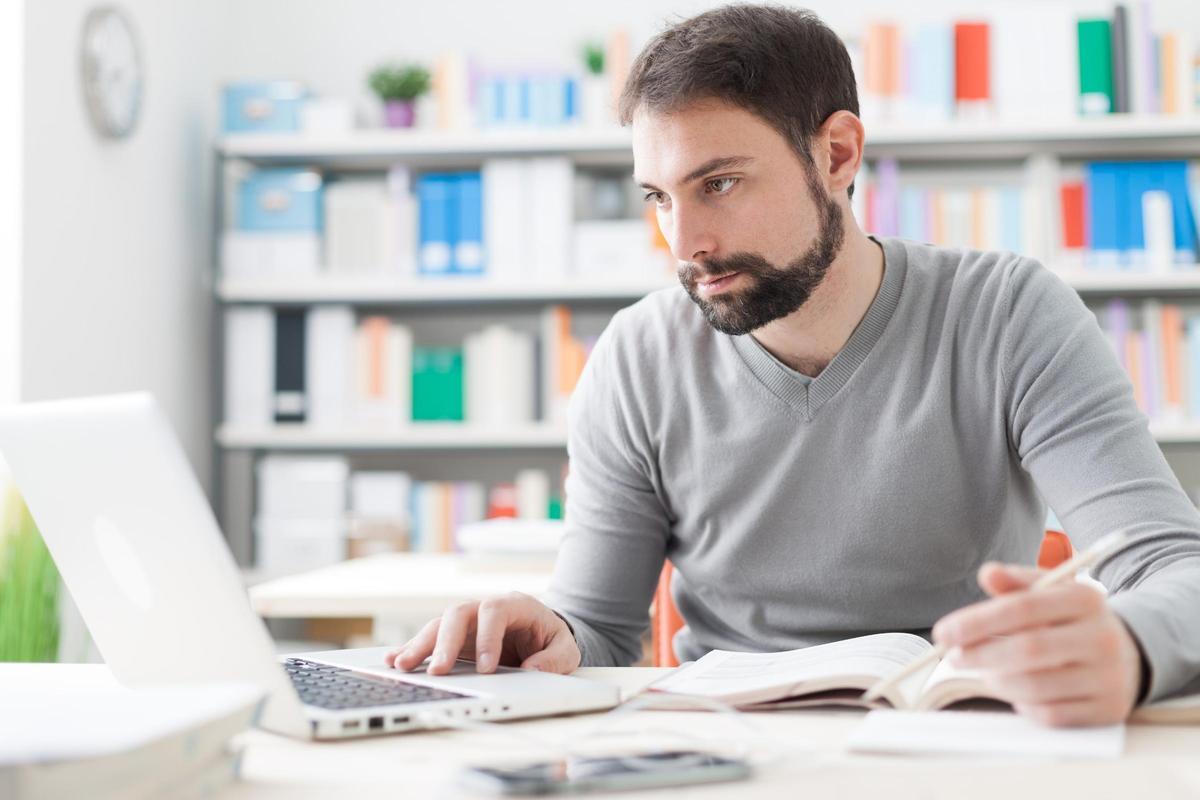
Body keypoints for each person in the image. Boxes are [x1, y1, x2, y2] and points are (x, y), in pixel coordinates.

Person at [386, 4, 1200, 727]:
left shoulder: (1009, 313)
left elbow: (1173, 566)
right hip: (721, 747)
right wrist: (551, 633)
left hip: (958, 734)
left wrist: (1128, 646)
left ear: (838, 153)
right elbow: (599, 630)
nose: (685, 241)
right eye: (659, 197)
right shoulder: (636, 357)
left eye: (721, 182)